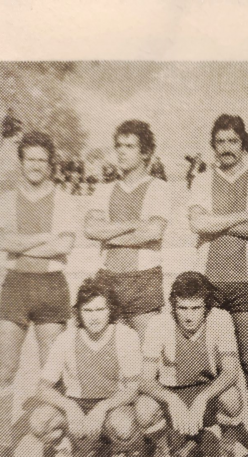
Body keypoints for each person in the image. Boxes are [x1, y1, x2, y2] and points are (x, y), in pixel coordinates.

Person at [187, 114, 248, 457]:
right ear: (213, 145)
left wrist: (217, 223)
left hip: (247, 281)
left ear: (244, 144)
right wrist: (242, 215)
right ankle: (196, 432)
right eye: (220, 142)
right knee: (202, 363)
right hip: (207, 282)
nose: (226, 148)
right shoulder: (201, 179)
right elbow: (197, 223)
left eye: (233, 141)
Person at [0, 131, 77, 457]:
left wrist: (21, 244)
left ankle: (55, 440)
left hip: (51, 286)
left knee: (51, 369)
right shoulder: (6, 199)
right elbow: (2, 241)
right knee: (5, 368)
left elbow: (64, 245)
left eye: (42, 159)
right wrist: (43, 238)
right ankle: (2, 442)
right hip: (15, 286)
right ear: (21, 162)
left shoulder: (63, 199)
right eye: (30, 159)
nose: (36, 165)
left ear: (50, 164)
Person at [136, 272, 246, 457]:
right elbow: (145, 380)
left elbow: (231, 372)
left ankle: (227, 451)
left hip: (207, 394)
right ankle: (162, 451)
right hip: (173, 394)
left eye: (196, 308)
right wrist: (171, 400)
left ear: (207, 307)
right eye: (182, 308)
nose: (188, 316)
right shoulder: (159, 323)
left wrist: (202, 399)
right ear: (173, 306)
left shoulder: (221, 318)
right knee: (144, 408)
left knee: (231, 397)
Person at [28, 279, 143, 457]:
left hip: (113, 405)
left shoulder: (125, 335)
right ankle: (64, 446)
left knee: (123, 426)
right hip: (78, 404)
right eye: (87, 311)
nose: (94, 317)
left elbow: (133, 389)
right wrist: (70, 407)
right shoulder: (66, 339)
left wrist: (102, 407)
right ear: (79, 312)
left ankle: (117, 449)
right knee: (39, 422)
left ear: (111, 310)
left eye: (100, 310)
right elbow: (42, 388)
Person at [84, 120, 170, 336]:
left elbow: (153, 232)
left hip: (144, 279)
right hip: (107, 278)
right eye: (119, 146)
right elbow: (91, 230)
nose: (121, 152)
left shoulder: (158, 188)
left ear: (145, 152)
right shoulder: (104, 190)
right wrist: (134, 224)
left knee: (148, 350)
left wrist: (107, 235)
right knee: (109, 350)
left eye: (129, 146)